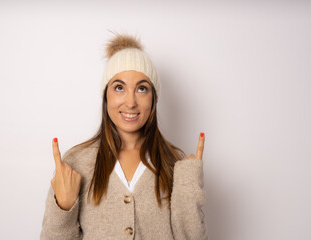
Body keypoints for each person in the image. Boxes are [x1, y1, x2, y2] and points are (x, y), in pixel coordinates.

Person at [40, 32, 208, 240]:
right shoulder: (76, 163)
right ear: (106, 96)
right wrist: (63, 208)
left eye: (142, 89)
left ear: (153, 99)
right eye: (119, 87)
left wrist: (188, 187)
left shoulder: (176, 164)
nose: (130, 102)